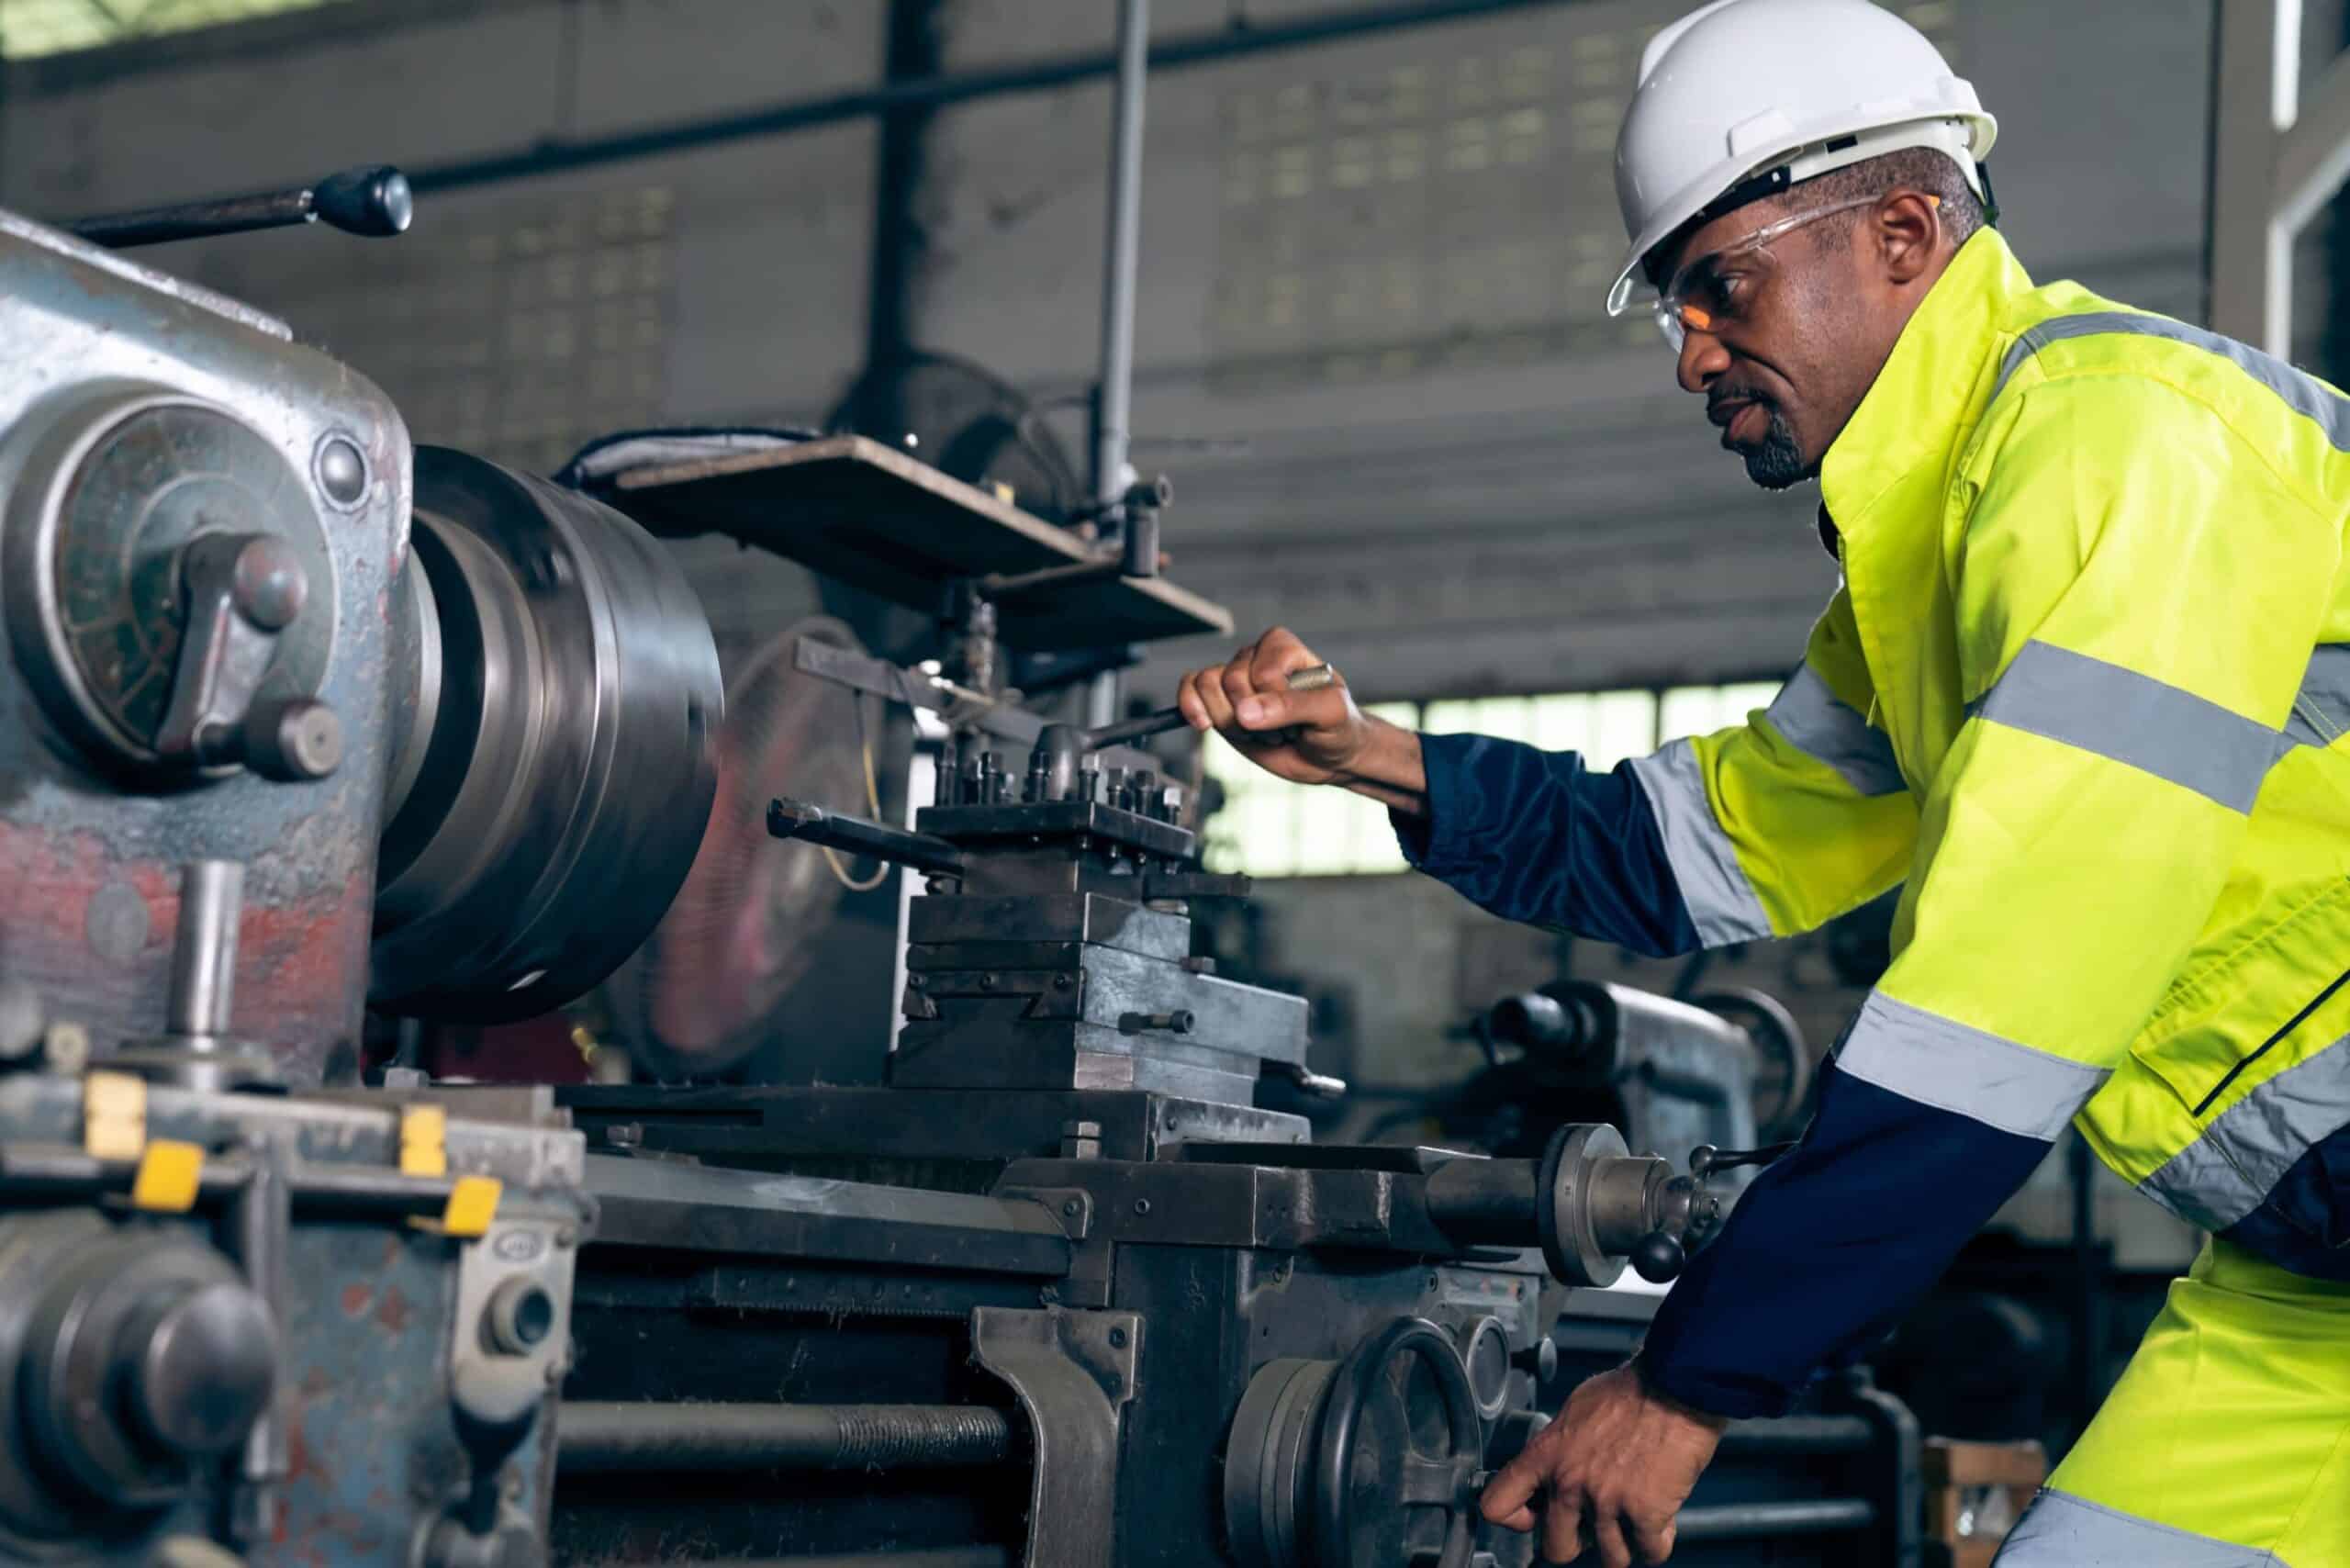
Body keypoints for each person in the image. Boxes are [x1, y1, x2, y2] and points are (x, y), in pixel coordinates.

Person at [1177, 1, 2350, 1563]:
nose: (1692, 359)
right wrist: (1374, 759)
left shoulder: (2120, 455)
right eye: (1674, 308)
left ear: (1904, 232)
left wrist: (1684, 1385)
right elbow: (1690, 852)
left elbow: (2014, 996)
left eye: (1721, 289)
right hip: (2304, 1289)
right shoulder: (1933, 557)